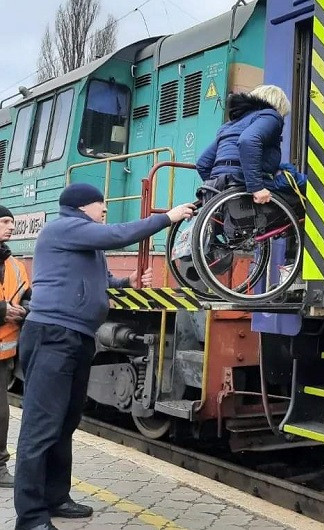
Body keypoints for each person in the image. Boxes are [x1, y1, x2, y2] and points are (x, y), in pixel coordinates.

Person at [14, 183, 195, 530]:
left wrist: (125, 282)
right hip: (53, 335)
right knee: (41, 427)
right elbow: (118, 234)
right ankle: (31, 517)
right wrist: (166, 219)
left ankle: (56, 498)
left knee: (65, 422)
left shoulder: (81, 238)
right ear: (83, 207)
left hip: (76, 337)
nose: (106, 210)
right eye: (102, 204)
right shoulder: (64, 227)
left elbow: (98, 279)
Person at [195, 84, 306, 205]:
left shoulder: (230, 126)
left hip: (221, 184)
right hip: (243, 182)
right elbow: (247, 141)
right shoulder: (270, 116)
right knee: (308, 183)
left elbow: (203, 164)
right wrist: (256, 187)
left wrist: (218, 191)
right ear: (279, 106)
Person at [0, 206, 31, 489]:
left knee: (0, 412)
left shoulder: (17, 266)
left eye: (12, 222)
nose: (11, 226)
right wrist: (2, 311)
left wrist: (25, 310)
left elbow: (27, 297)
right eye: (5, 221)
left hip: (3, 356)